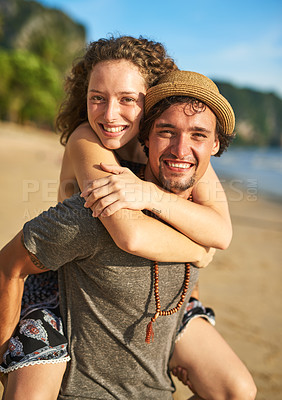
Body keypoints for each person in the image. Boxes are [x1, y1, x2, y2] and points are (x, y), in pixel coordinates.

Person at [0, 70, 257, 399]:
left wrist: (154, 198)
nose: (182, 148)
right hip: (56, 298)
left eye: (198, 136)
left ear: (216, 144)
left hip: (163, 317)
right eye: (167, 131)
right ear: (145, 136)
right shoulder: (98, 177)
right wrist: (198, 251)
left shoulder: (195, 195)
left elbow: (221, 233)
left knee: (239, 390)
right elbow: (129, 234)